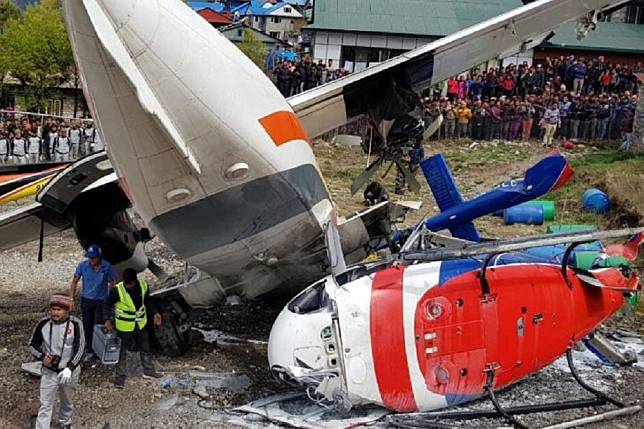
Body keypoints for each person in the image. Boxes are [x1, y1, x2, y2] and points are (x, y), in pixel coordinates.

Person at [29, 294, 84, 429]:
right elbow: (32, 345)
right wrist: (42, 357)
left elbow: (80, 348)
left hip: (68, 372)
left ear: (67, 311)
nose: (55, 312)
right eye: (53, 309)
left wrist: (69, 368)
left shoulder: (76, 324)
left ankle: (65, 423)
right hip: (49, 371)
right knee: (45, 403)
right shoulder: (43, 323)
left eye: (59, 310)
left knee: (67, 401)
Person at [104, 268, 163, 387]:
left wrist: (155, 312)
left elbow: (147, 301)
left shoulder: (143, 285)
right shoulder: (117, 290)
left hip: (140, 324)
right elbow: (107, 304)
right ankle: (120, 378)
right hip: (124, 326)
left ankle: (149, 371)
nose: (128, 286)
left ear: (135, 280)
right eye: (127, 283)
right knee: (122, 352)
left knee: (145, 348)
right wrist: (107, 319)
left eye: (130, 283)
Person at [69, 244, 117, 362]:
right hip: (87, 300)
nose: (91, 260)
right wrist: (71, 298)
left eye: (93, 258)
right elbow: (74, 281)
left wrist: (111, 298)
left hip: (101, 301)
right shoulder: (83, 266)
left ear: (99, 257)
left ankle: (99, 350)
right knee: (87, 326)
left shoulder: (106, 266)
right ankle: (89, 350)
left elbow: (113, 281)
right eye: (89, 258)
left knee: (98, 327)